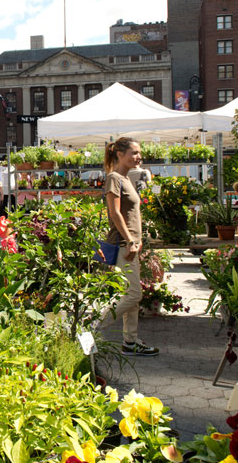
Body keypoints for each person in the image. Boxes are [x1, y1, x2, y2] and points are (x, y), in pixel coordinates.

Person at [100, 137, 158, 357]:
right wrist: (131, 240)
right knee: (134, 294)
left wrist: (138, 239)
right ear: (119, 154)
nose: (139, 156)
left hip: (132, 244)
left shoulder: (126, 179)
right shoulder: (114, 178)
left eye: (139, 152)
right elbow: (114, 213)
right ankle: (93, 326)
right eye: (134, 152)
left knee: (130, 295)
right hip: (124, 244)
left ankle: (130, 342)